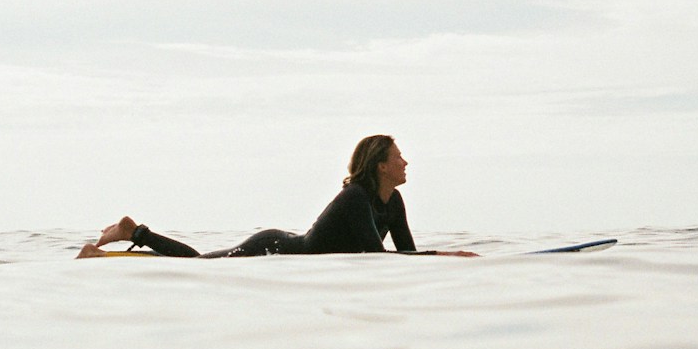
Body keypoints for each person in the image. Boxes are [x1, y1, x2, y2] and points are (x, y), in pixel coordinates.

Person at [76, 135, 477, 258]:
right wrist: (445, 258)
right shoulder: (357, 198)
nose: (406, 162)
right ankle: (136, 231)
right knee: (199, 267)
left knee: (200, 265)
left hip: (287, 250)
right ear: (380, 166)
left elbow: (405, 254)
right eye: (398, 157)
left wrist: (440, 260)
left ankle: (132, 237)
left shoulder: (394, 203)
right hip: (274, 250)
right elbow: (377, 259)